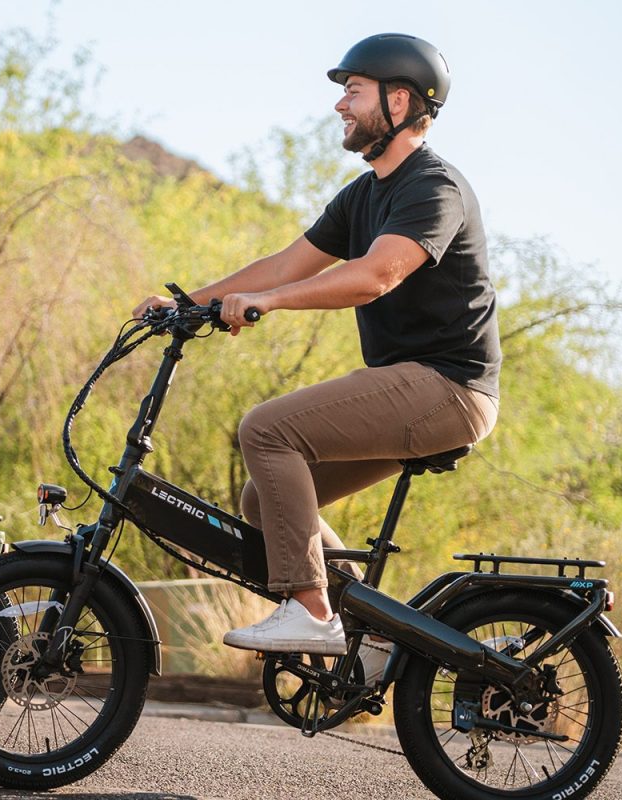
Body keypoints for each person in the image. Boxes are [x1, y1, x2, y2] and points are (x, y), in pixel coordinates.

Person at [132, 33, 500, 656]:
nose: (340, 106)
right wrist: (189, 304)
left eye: (354, 92)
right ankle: (370, 632)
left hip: (449, 388)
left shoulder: (432, 187)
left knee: (267, 430)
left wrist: (268, 306)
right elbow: (285, 264)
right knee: (263, 499)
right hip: (414, 387)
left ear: (400, 100)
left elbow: (376, 275)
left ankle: (310, 608)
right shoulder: (365, 194)